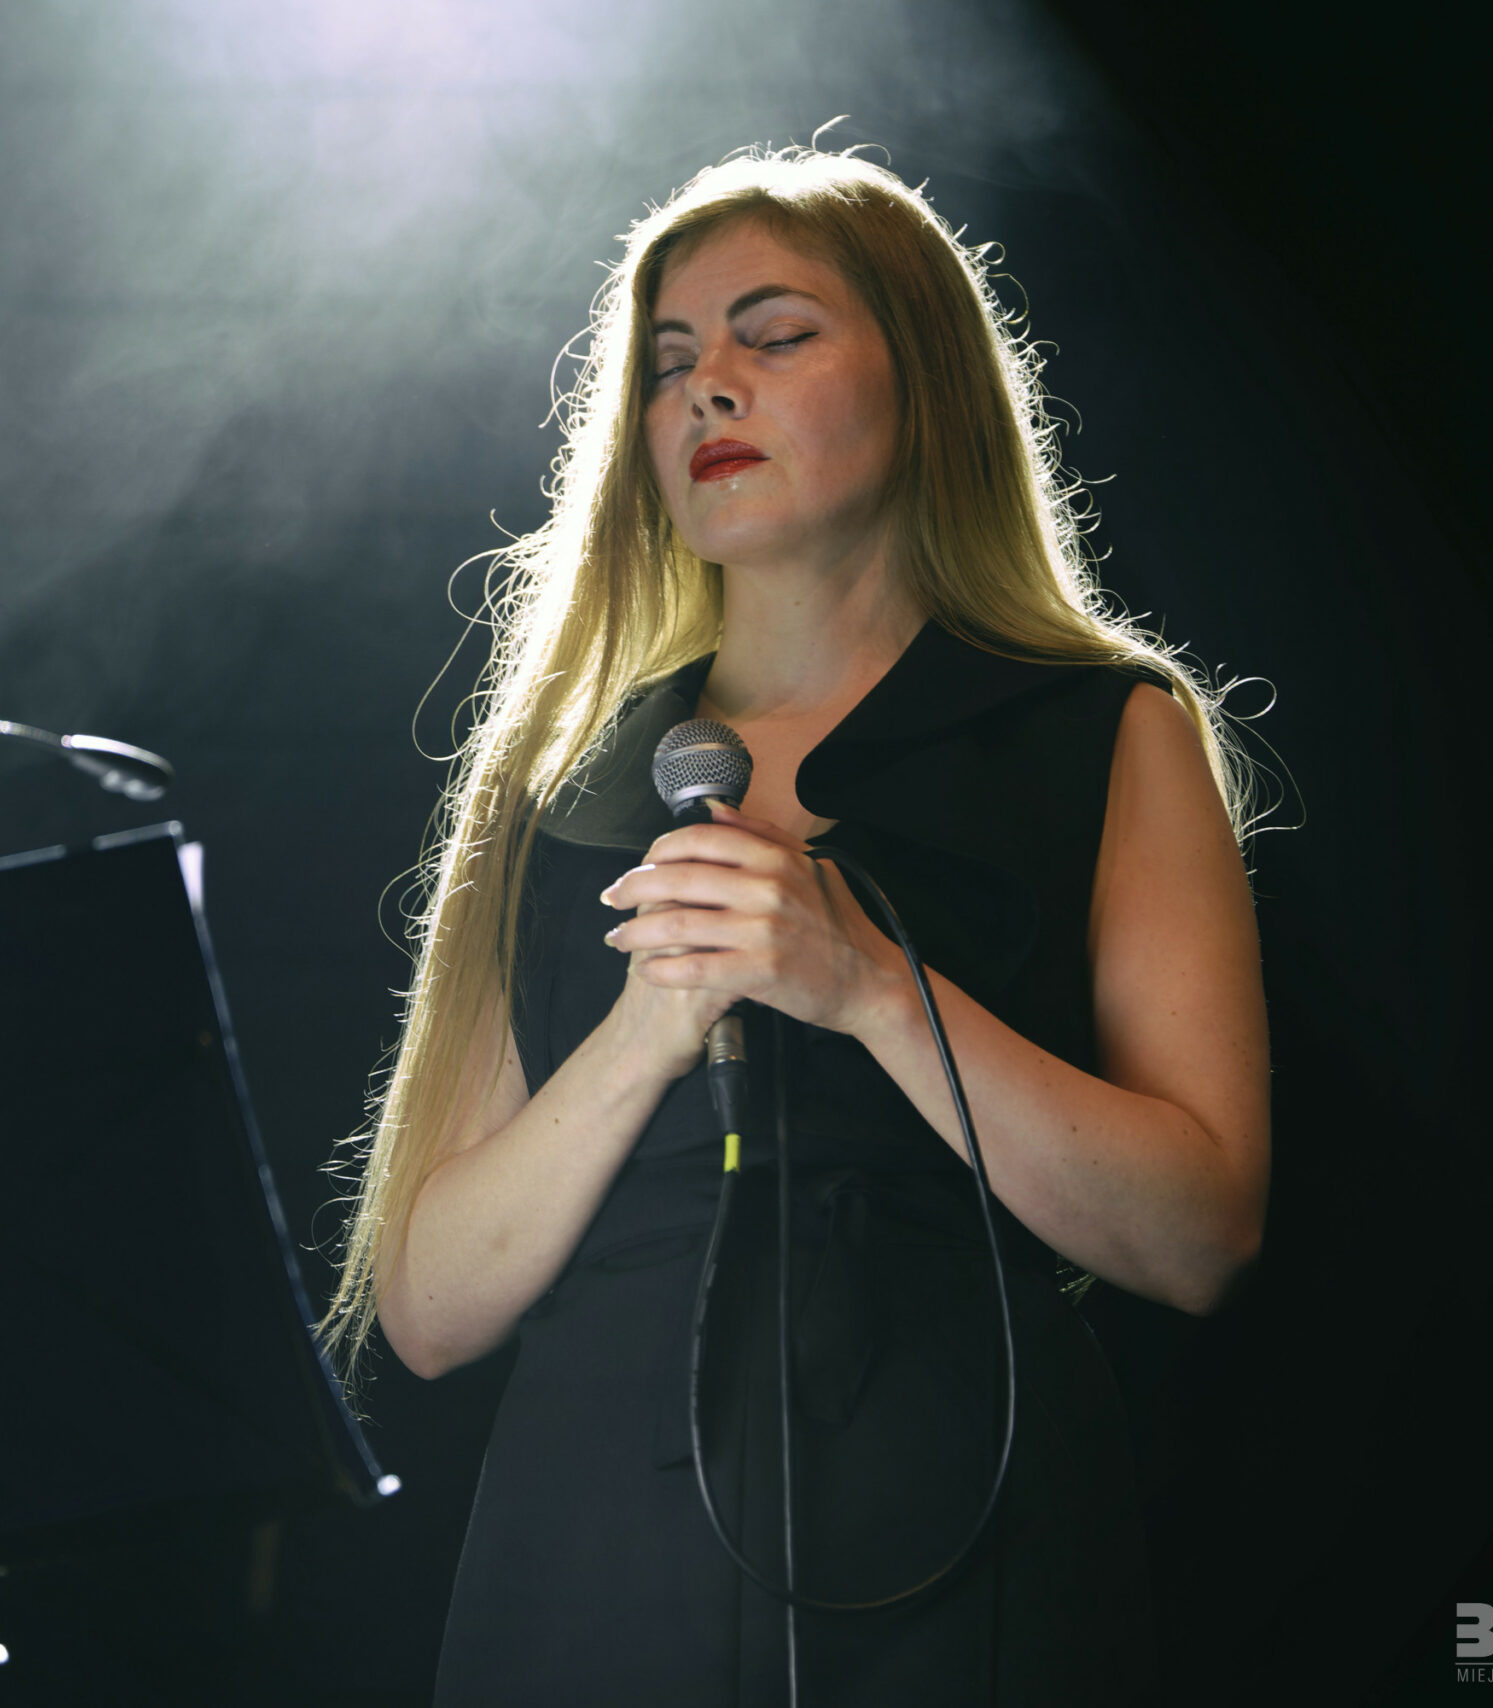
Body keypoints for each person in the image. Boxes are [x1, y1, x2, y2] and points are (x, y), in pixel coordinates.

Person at [319, 146, 1270, 1706]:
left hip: (961, 1547)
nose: (708, 386)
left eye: (775, 334)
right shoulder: (562, 788)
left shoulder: (1105, 732)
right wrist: (644, 1033)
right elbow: (427, 1309)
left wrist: (871, 989)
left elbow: (1199, 1236)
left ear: (926, 384)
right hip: (595, 1560)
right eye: (670, 361)